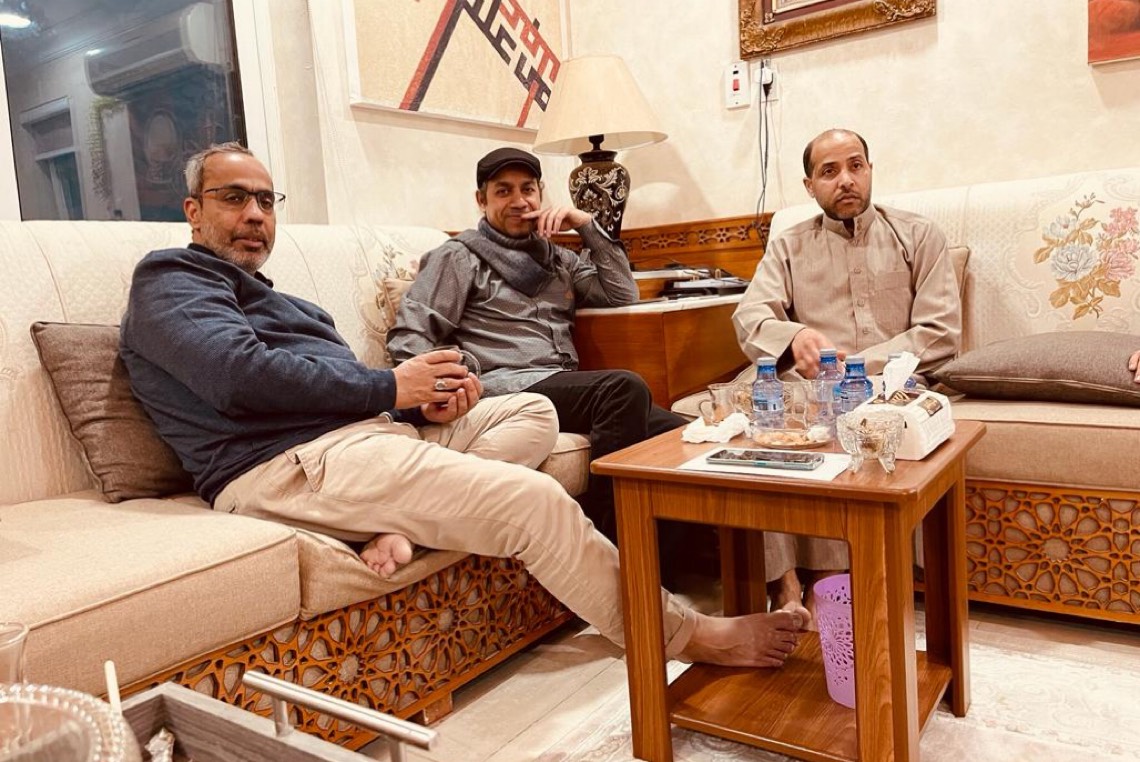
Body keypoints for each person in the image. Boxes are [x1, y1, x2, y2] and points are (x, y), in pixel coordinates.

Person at [119, 141, 808, 670]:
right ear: (193, 211)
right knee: (533, 499)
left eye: (266, 201)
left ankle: (396, 523)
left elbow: (341, 380)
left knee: (535, 417)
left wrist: (427, 403)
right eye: (234, 199)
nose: (254, 215)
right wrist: (395, 388)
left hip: (369, 435)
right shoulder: (171, 278)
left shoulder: (282, 300)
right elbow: (240, 378)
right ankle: (686, 634)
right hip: (287, 462)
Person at [387, 147, 687, 544]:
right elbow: (410, 334)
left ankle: (678, 562)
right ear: (481, 199)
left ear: (540, 194)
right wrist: (437, 392)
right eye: (503, 191)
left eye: (527, 189)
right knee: (622, 388)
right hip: (505, 389)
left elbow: (622, 295)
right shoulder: (458, 257)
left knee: (684, 436)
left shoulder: (559, 259)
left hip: (560, 387)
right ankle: (609, 546)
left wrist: (585, 224)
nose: (519, 201)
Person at [733, 128, 962, 615]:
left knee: (852, 412)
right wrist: (793, 337)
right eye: (829, 171)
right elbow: (750, 315)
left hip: (894, 379)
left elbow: (940, 332)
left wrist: (855, 367)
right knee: (763, 415)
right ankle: (784, 585)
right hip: (807, 381)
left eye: (856, 166)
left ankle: (831, 582)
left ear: (870, 170)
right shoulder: (789, 246)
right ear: (809, 186)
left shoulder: (918, 235)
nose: (846, 180)